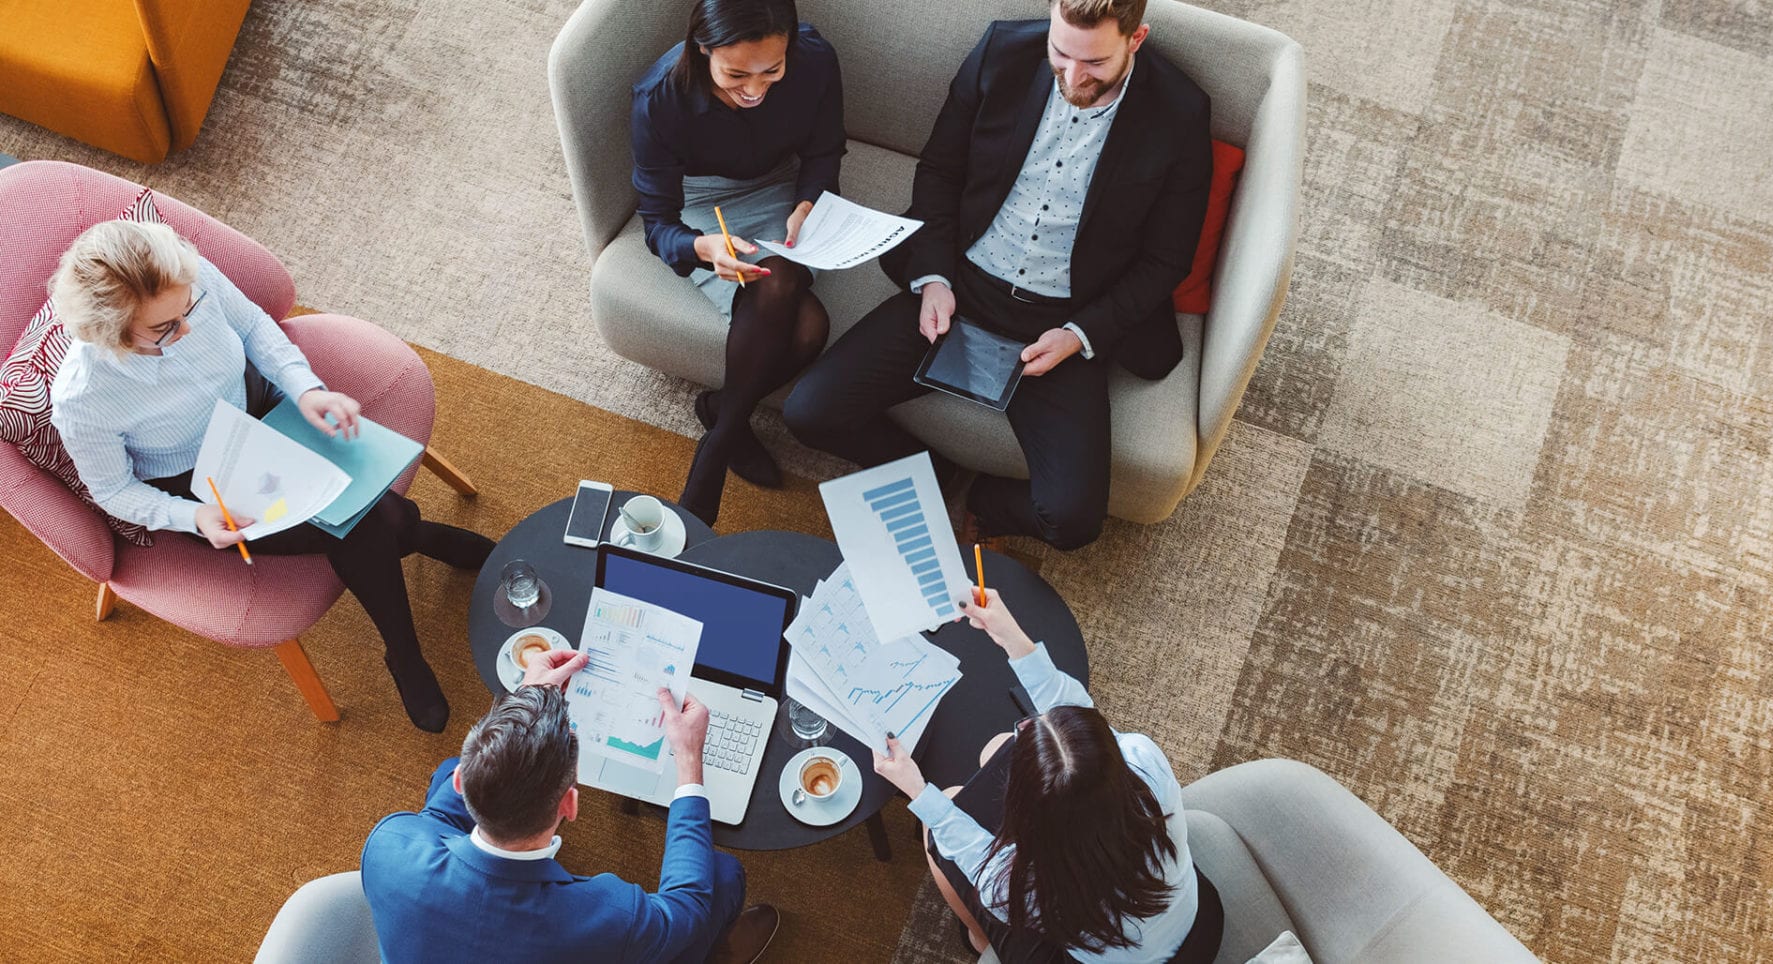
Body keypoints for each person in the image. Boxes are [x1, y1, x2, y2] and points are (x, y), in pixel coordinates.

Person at [784, 0, 1212, 551]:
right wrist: (934, 276)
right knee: (809, 412)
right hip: (962, 285)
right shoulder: (1000, 52)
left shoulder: (1179, 112)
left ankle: (986, 501)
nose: (1073, 77)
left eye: (1095, 64)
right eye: (1060, 53)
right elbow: (939, 171)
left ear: (1137, 39)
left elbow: (1165, 260)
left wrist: (1079, 336)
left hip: (1062, 322)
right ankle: (933, 471)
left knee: (1073, 521)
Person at [47, 219, 494, 733]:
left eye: (188, 306)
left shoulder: (181, 280)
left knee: (372, 515)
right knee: (367, 522)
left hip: (260, 407)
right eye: (164, 329)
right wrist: (193, 517)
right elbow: (111, 490)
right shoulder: (84, 400)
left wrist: (304, 390)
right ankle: (404, 646)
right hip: (201, 477)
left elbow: (255, 326)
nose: (187, 328)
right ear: (112, 335)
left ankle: (414, 538)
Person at [361, 648, 782, 963]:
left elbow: (436, 818)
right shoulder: (608, 916)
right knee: (722, 875)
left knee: (445, 769)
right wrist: (689, 761)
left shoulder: (389, 844)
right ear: (570, 804)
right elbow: (684, 908)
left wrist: (526, 702)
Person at [872, 590, 1223, 962]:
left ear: (1026, 815)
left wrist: (915, 787)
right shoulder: (1146, 762)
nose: (1025, 723)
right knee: (997, 747)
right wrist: (1011, 636)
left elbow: (962, 845)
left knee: (940, 824)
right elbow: (1078, 712)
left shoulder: (1021, 888)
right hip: (1199, 927)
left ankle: (979, 940)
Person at [630, 0, 847, 526]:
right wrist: (704, 248)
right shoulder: (659, 98)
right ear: (702, 48)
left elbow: (824, 151)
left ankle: (719, 429)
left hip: (780, 185)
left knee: (800, 311)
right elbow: (657, 223)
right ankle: (721, 441)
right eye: (735, 74)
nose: (754, 89)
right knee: (804, 321)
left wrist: (809, 203)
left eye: (772, 70)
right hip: (705, 200)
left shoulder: (815, 58)